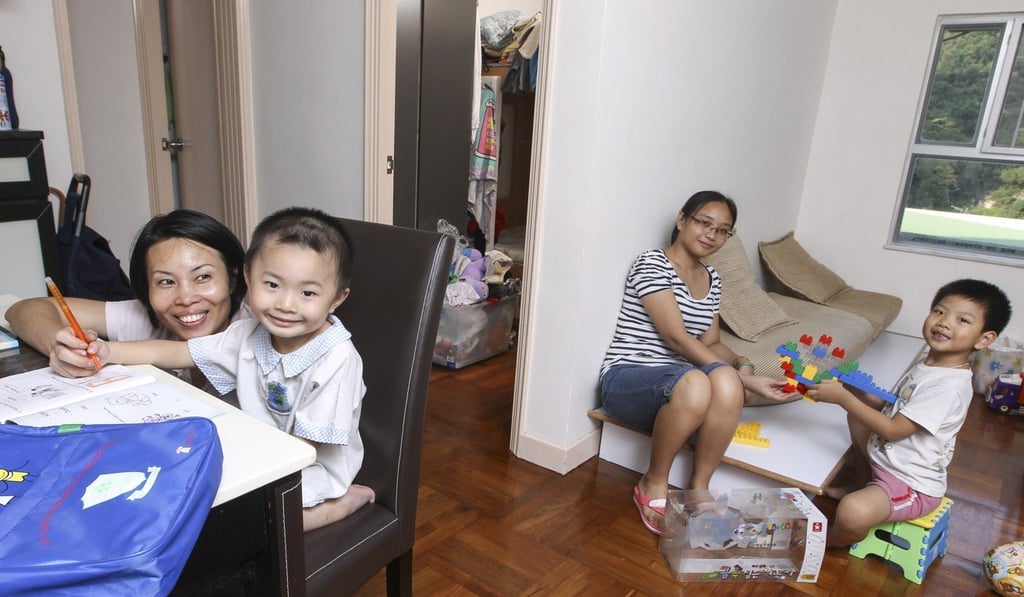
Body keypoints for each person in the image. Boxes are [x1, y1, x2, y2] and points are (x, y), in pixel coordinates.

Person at [71, 207, 374, 531]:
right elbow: (178, 351)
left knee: (255, 520)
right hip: (255, 452)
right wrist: (107, 351)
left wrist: (244, 459)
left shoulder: (337, 359)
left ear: (337, 299)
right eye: (272, 285)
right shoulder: (249, 333)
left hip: (309, 467)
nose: (286, 304)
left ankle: (342, 505)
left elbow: (307, 448)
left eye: (308, 293)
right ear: (247, 276)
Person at [600, 190, 792, 535]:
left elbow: (711, 343)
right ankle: (653, 482)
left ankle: (699, 486)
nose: (711, 235)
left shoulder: (711, 279)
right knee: (701, 381)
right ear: (682, 220)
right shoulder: (652, 264)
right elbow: (676, 338)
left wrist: (743, 364)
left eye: (722, 230)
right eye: (705, 223)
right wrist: (743, 380)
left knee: (720, 380)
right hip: (629, 378)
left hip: (680, 383)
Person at [807, 279, 1011, 547]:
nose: (944, 322)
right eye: (939, 311)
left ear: (985, 338)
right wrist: (856, 391)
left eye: (962, 320)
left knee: (852, 512)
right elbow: (896, 408)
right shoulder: (929, 363)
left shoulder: (947, 387)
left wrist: (843, 398)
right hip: (887, 459)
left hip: (910, 483)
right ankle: (860, 482)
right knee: (859, 415)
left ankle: (828, 542)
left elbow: (894, 429)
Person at [6, 209, 249, 384]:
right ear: (146, 287)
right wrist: (59, 346)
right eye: (165, 281)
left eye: (202, 277)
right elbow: (23, 310)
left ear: (233, 278)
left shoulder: (256, 334)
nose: (185, 298)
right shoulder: (143, 316)